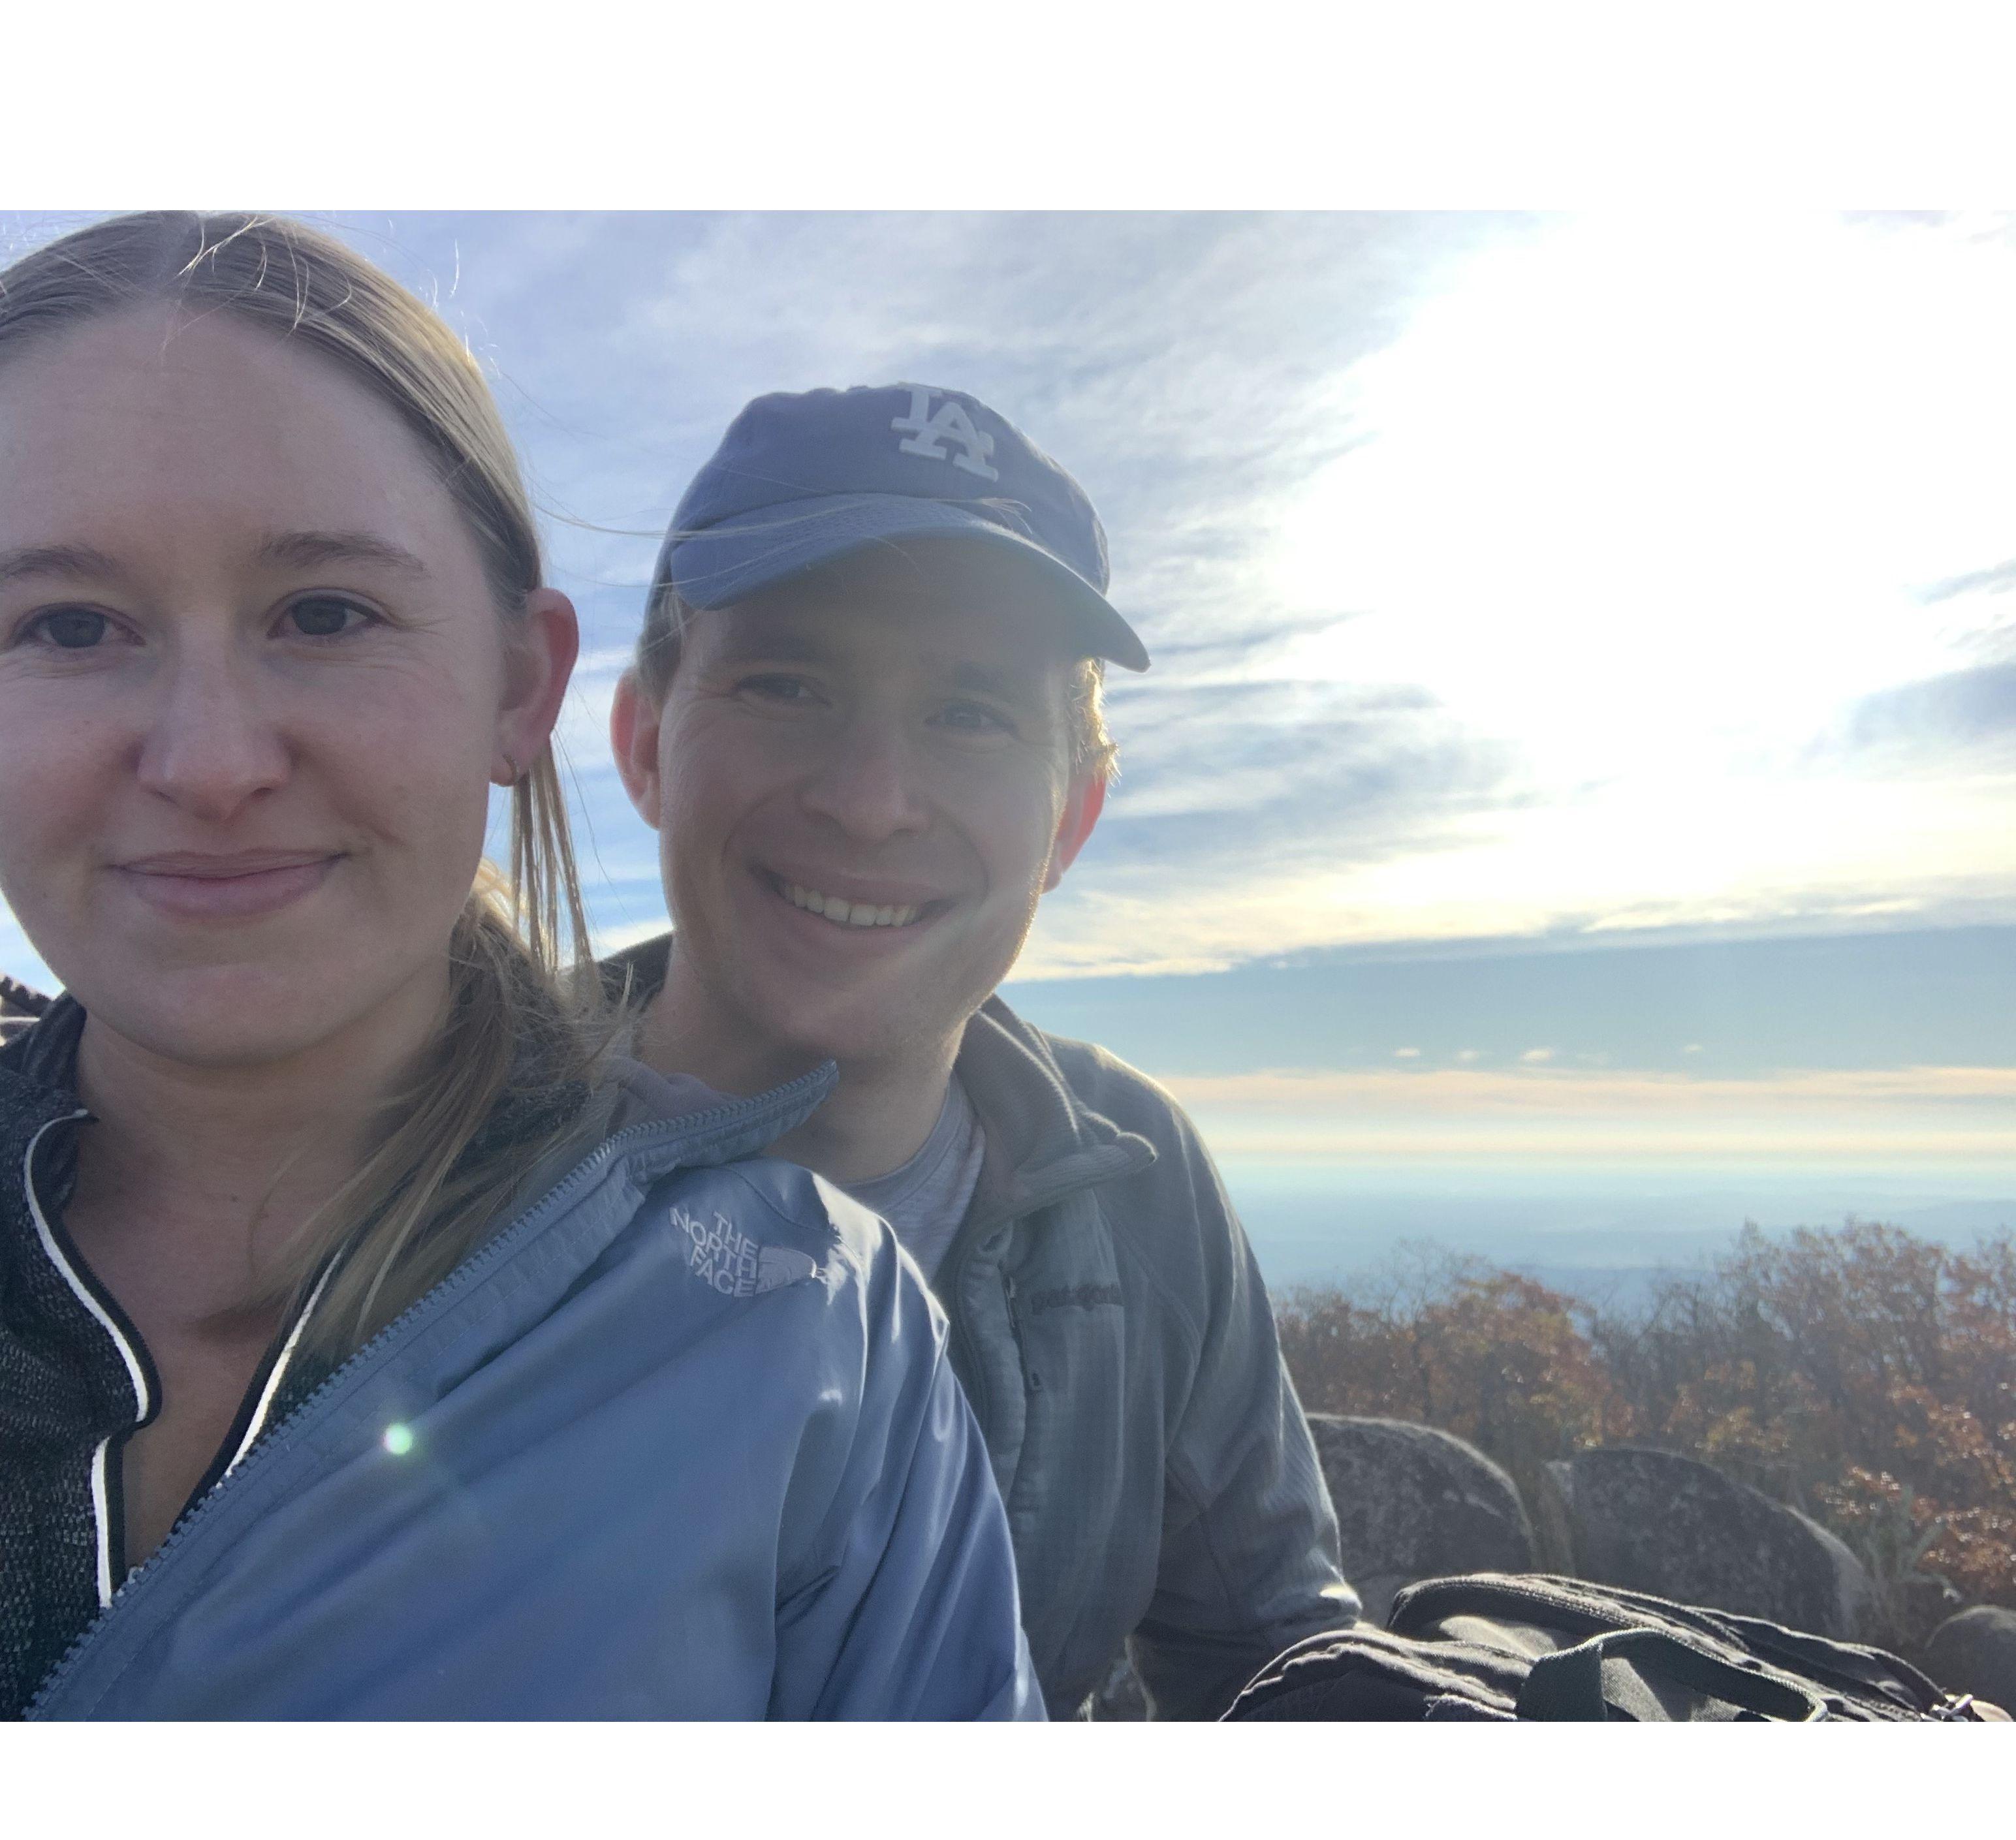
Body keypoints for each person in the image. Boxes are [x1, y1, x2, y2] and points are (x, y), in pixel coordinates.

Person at [0, 216, 1041, 1721]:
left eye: (327, 612)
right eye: (70, 624)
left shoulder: (810, 1330)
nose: (210, 759)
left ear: (518, 686)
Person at [608, 382, 1357, 1719]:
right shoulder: (433, 1153)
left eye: (970, 714)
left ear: (1070, 817)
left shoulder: (1129, 1180)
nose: (870, 798)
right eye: (786, 682)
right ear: (641, 743)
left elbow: (1272, 1659)